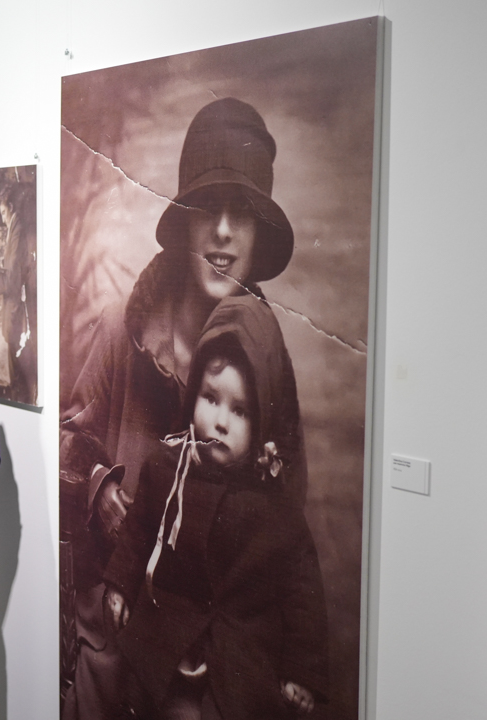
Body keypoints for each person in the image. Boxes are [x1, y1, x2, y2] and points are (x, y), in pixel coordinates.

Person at [60, 97, 307, 718]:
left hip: (209, 677)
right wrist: (101, 491)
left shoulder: (266, 358)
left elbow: (286, 528)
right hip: (113, 641)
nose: (223, 231)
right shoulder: (126, 327)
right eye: (207, 208)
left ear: (258, 235)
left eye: (242, 213)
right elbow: (66, 446)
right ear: (185, 222)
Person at [103, 294, 328, 719]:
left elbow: (303, 595)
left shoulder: (275, 507)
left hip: (238, 654)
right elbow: (137, 534)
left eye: (240, 411)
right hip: (166, 637)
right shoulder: (166, 468)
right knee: (144, 698)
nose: (220, 422)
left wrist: (302, 671)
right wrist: (119, 584)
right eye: (210, 398)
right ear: (193, 399)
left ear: (261, 421)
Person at [0, 181, 38, 404]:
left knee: (12, 340)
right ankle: (16, 392)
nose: (2, 218)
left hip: (14, 299)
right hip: (12, 298)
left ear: (10, 207)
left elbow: (13, 273)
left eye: (3, 211)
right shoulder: (13, 227)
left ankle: (17, 394)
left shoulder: (17, 227)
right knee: (9, 339)